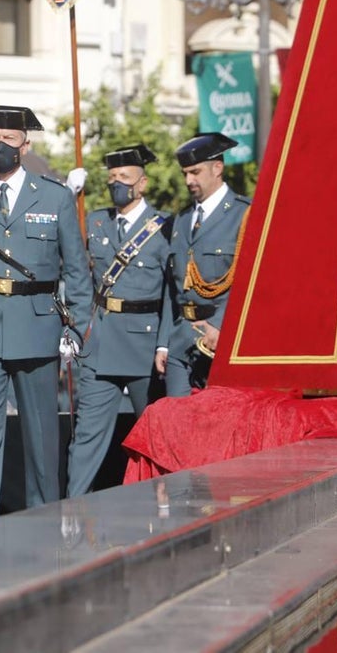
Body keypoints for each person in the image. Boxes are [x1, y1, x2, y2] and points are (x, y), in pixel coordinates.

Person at [0, 105, 93, 523]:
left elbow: (77, 269)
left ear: (25, 145)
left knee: (42, 440)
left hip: (38, 326)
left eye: (9, 139)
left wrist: (77, 328)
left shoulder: (54, 196)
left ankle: (44, 527)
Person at [66, 145, 171, 497]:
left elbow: (173, 292)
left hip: (145, 343)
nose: (116, 185)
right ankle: (72, 512)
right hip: (101, 342)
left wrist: (165, 341)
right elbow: (74, 269)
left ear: (142, 184)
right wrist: (68, 201)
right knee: (86, 438)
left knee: (154, 436)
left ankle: (162, 508)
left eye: (124, 178)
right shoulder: (94, 221)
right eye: (111, 179)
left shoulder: (163, 227)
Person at [157, 132, 252, 396]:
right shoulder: (181, 220)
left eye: (195, 172)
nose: (189, 180)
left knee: (217, 426)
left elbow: (251, 284)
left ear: (218, 168)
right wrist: (163, 344)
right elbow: (171, 289)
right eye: (185, 173)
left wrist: (220, 325)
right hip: (181, 340)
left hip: (220, 339)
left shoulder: (244, 214)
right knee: (177, 426)